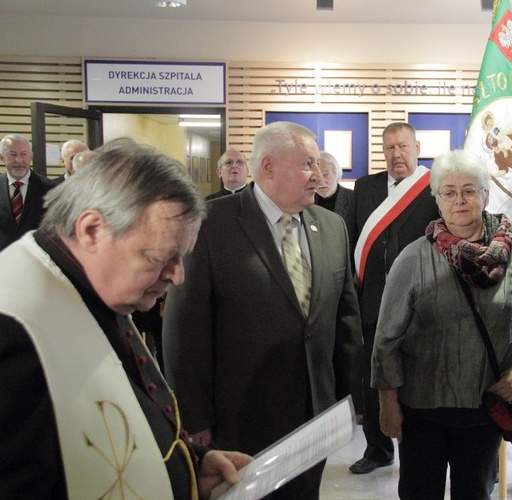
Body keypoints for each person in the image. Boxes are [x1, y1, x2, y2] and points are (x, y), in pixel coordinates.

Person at [0, 138, 251, 499]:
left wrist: (189, 467)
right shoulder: (13, 333)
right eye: (160, 258)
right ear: (92, 230)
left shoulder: (89, 283)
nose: (178, 276)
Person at [163, 121, 363, 500]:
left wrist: (351, 398)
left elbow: (345, 320)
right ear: (268, 167)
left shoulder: (332, 226)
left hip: (315, 417)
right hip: (241, 419)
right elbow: (184, 330)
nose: (318, 176)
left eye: (319, 165)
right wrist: (194, 418)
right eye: (308, 164)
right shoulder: (210, 224)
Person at [371, 149, 512, 499]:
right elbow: (385, 341)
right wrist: (387, 405)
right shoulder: (413, 258)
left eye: (469, 190)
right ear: (437, 201)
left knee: (475, 493)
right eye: (449, 192)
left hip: (486, 411)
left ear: (485, 194)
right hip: (422, 414)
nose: (460, 200)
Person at [346, 121, 440, 474]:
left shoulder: (433, 187)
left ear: (417, 148)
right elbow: (354, 240)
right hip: (372, 301)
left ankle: (417, 451)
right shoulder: (365, 186)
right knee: (373, 382)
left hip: (419, 305)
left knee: (415, 382)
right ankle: (377, 449)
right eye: (388, 148)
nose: (395, 154)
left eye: (402, 147)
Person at [0, 133, 57, 251]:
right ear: (1, 158)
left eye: (24, 154)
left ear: (31, 156)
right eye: (12, 154)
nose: (19, 160)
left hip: (38, 259)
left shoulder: (50, 189)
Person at [314, 150, 354, 220]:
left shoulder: (353, 198)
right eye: (317, 176)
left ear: (336, 174)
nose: (322, 181)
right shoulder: (306, 200)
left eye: (326, 175)